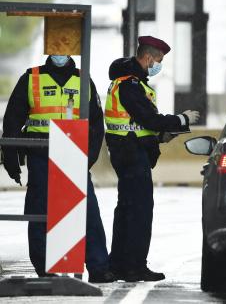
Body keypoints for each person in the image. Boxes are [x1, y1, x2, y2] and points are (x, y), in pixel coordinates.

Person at [1, 54, 115, 283]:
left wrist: (87, 159)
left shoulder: (83, 79)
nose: (59, 52)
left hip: (73, 153)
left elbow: (95, 124)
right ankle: (46, 268)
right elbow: (12, 120)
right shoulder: (32, 78)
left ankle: (99, 267)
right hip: (40, 153)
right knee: (40, 209)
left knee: (87, 210)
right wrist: (12, 159)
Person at [105, 36, 200, 282]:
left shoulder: (128, 82)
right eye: (158, 59)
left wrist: (159, 137)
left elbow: (135, 124)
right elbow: (149, 119)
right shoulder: (130, 85)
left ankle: (119, 264)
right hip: (130, 153)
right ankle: (134, 267)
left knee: (126, 209)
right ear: (148, 57)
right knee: (139, 211)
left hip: (128, 150)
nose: (159, 64)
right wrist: (181, 119)